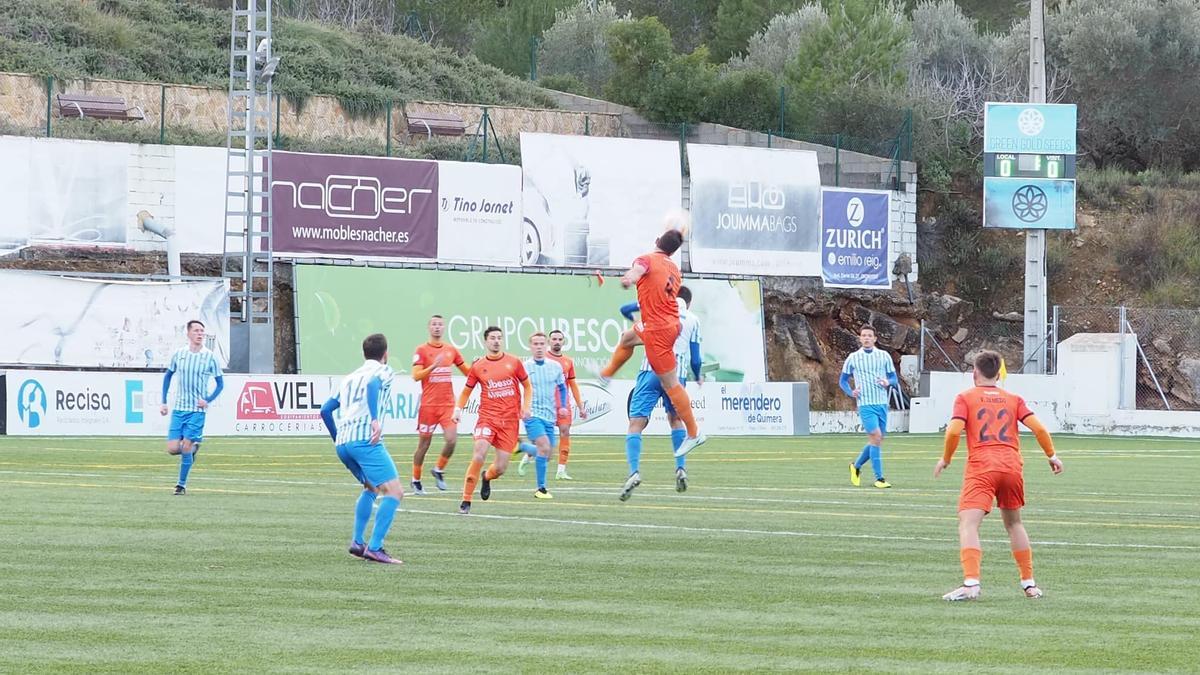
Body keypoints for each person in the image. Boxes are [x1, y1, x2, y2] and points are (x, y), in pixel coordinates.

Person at [936, 350, 1063, 601]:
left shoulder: (965, 397)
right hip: (1011, 466)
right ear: (998, 373)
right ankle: (1029, 584)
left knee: (969, 523)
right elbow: (1038, 427)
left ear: (975, 372)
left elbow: (952, 432)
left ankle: (971, 583)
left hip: (982, 466)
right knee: (1014, 524)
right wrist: (1051, 455)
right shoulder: (1014, 398)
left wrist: (946, 459)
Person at [598, 227, 705, 458]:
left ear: (656, 240)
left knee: (671, 383)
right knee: (627, 338)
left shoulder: (646, 259)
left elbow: (638, 270)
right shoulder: (674, 269)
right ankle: (606, 375)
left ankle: (694, 433)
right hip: (665, 325)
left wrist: (629, 278)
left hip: (658, 331)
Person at [319, 333, 404, 565]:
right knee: (395, 492)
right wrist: (375, 419)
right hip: (366, 439)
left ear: (363, 353)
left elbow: (325, 410)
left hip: (344, 443)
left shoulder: (349, 377)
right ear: (385, 354)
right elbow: (373, 384)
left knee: (371, 487)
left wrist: (339, 439)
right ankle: (374, 547)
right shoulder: (384, 370)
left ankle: (358, 542)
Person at [619, 286, 702, 501]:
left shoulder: (659, 312)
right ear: (689, 303)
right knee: (675, 421)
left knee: (636, 423)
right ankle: (680, 469)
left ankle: (634, 471)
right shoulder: (694, 320)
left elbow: (631, 335)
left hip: (650, 370)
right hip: (676, 375)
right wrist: (698, 374)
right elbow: (695, 358)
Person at [454, 326, 531, 515]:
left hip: (510, 422)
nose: (496, 341)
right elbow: (466, 391)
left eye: (499, 337)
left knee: (501, 468)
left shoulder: (514, 362)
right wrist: (457, 409)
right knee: (479, 454)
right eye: (492, 338)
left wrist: (526, 407)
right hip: (487, 418)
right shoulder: (479, 366)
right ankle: (466, 499)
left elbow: (527, 386)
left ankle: (486, 477)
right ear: (485, 341)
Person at [160, 319, 224, 496]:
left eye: (202, 331)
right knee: (173, 449)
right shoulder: (179, 354)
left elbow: (220, 384)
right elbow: (168, 376)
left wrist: (207, 400)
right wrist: (163, 401)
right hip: (179, 409)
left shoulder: (210, 356)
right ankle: (193, 449)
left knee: (185, 447)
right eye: (196, 330)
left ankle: (181, 485)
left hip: (197, 410)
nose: (200, 334)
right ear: (188, 333)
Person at [410, 315, 470, 495]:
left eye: (440, 325)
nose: (437, 327)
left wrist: (480, 369)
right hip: (428, 406)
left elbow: (467, 371)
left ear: (444, 328)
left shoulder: (451, 350)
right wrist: (432, 367)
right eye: (434, 324)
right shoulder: (421, 350)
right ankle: (416, 479)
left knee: (452, 440)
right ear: (429, 328)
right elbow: (416, 376)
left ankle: (438, 469)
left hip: (447, 405)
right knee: (424, 445)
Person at [841, 325, 898, 489]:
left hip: (881, 402)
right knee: (876, 435)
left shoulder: (884, 356)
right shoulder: (853, 358)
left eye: (869, 335)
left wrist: (888, 382)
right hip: (865, 404)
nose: (866, 338)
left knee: (877, 439)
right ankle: (879, 478)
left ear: (875, 339)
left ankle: (856, 466)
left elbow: (893, 378)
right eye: (863, 335)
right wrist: (851, 392)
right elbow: (842, 380)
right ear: (860, 338)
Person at [514, 333, 569, 499]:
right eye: (535, 344)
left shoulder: (555, 367)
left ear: (546, 346)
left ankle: (523, 447)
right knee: (544, 448)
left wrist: (563, 406)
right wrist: (521, 408)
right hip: (532, 414)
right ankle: (541, 488)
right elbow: (516, 388)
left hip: (549, 415)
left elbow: (562, 387)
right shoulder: (524, 367)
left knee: (547, 454)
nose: (539, 347)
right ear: (530, 346)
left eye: (541, 344)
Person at [544, 329, 587, 479]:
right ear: (549, 341)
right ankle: (529, 455)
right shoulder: (543, 359)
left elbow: (573, 385)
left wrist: (580, 406)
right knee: (544, 439)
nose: (556, 342)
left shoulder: (568, 362)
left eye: (559, 339)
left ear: (563, 342)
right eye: (554, 339)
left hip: (563, 405)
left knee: (565, 432)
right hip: (545, 404)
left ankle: (561, 470)